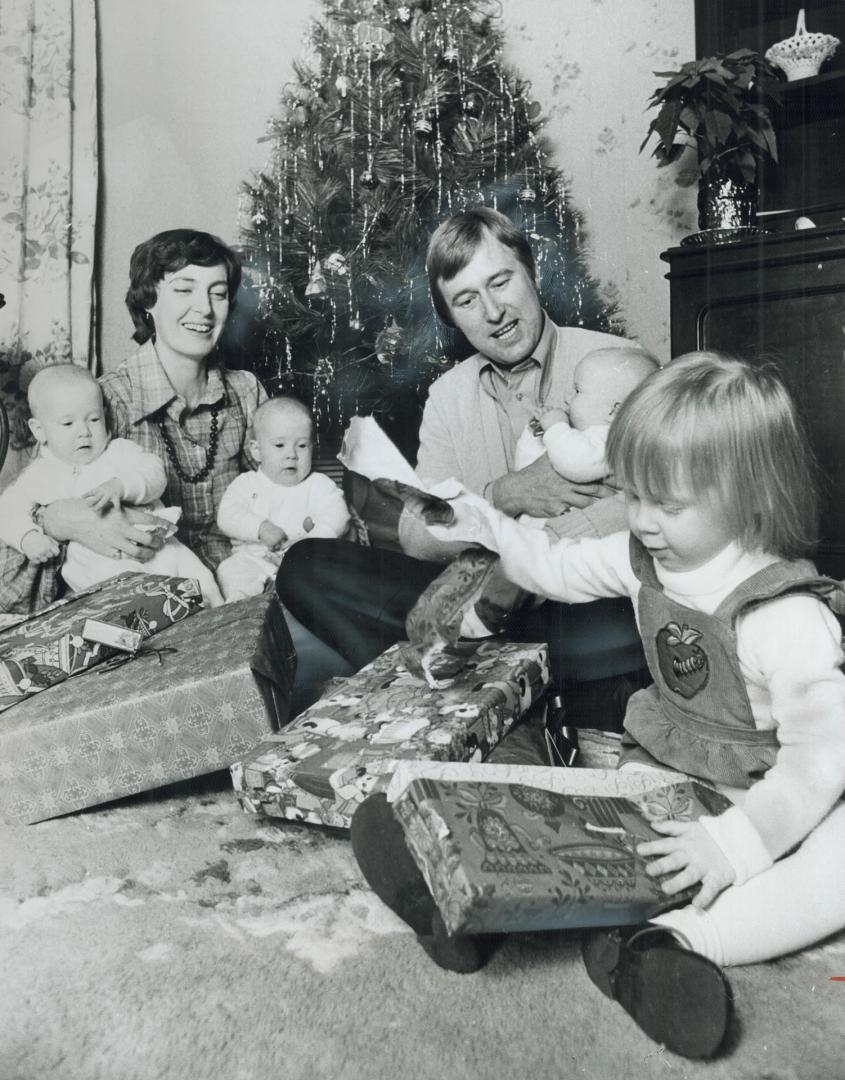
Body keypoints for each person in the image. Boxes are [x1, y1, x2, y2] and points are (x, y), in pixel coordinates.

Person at [353, 352, 845, 1060]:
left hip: (772, 804)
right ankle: (459, 895)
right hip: (669, 777)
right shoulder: (644, 556)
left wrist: (736, 845)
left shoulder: (784, 616)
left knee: (838, 858)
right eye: (633, 493)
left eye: (666, 504)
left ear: (747, 496)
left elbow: (819, 763)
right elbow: (549, 568)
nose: (641, 519)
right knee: (571, 816)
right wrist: (485, 521)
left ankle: (669, 946)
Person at [278, 207, 649, 716]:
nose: (494, 311)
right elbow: (416, 534)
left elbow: (663, 498)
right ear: (450, 315)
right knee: (306, 566)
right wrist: (507, 493)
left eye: (502, 281)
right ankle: (494, 689)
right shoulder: (447, 397)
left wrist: (537, 559)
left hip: (581, 602)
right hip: (473, 605)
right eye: (467, 300)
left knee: (636, 612)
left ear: (531, 273)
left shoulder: (617, 363)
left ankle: (479, 693)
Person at [7, 229, 348, 709]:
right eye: (184, 289)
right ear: (149, 301)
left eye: (218, 292)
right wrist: (54, 518)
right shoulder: (104, 401)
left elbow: (289, 481)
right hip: (149, 604)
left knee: (318, 668)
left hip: (244, 585)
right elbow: (38, 491)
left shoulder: (245, 391)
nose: (204, 309)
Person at [0, 364, 222, 605]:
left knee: (201, 578)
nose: (84, 431)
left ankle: (223, 616)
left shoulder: (118, 452)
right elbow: (6, 510)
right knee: (134, 600)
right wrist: (27, 537)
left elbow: (156, 474)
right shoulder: (39, 475)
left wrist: (122, 485)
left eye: (94, 419)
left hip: (162, 547)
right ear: (39, 430)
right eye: (67, 424)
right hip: (104, 565)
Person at [216, 396, 350, 602]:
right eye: (279, 445)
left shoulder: (318, 485)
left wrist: (309, 544)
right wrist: (260, 527)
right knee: (230, 570)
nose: (292, 455)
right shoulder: (246, 483)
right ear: (256, 450)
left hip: (304, 561)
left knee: (333, 574)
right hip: (254, 559)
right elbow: (227, 515)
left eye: (302, 445)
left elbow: (338, 515)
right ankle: (239, 610)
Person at [513, 346, 658, 528]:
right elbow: (526, 470)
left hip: (571, 542)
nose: (567, 397)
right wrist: (533, 435)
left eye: (577, 390)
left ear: (615, 411)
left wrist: (555, 426)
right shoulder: (575, 437)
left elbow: (574, 463)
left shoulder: (616, 442)